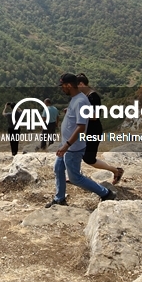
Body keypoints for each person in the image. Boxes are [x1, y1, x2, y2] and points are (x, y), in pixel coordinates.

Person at [46, 73, 116, 208]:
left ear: (69, 85)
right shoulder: (76, 98)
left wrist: (67, 145)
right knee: (58, 168)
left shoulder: (80, 101)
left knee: (75, 178)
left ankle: (106, 193)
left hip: (73, 147)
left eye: (62, 86)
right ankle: (59, 198)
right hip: (67, 144)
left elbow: (81, 127)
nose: (61, 88)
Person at [77, 74, 124, 185]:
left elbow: (94, 116)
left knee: (89, 159)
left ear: (81, 84)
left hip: (93, 131)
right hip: (86, 130)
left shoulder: (93, 97)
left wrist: (77, 114)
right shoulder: (85, 96)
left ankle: (116, 171)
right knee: (76, 152)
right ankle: (75, 175)